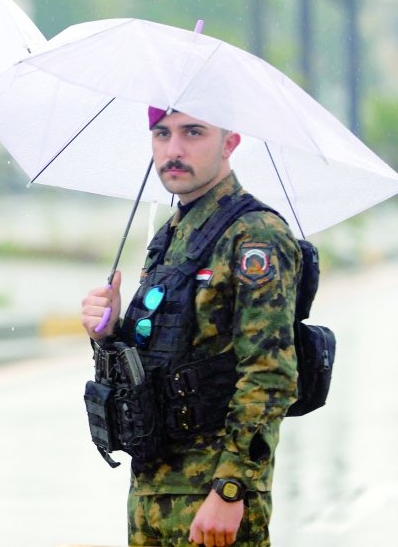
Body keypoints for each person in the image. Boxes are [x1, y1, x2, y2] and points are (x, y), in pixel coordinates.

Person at [81, 106, 301, 547]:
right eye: (162, 134)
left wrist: (231, 488)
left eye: (193, 132)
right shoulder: (171, 234)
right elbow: (160, 357)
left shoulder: (254, 235)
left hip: (212, 495)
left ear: (230, 143)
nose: (173, 150)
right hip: (153, 487)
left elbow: (270, 375)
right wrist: (108, 334)